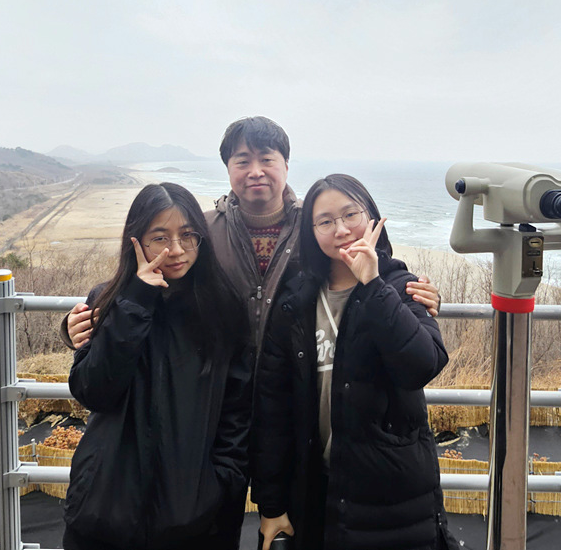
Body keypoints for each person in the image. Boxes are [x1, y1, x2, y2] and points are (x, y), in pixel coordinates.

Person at [61, 117, 441, 351]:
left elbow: (361, 269)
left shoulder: (315, 227)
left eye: (267, 159)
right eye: (243, 161)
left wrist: (410, 294)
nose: (255, 171)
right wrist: (82, 323)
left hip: (296, 385)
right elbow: (146, 280)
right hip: (220, 384)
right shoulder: (201, 231)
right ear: (228, 168)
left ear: (286, 165)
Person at [250, 174, 458, 550]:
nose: (341, 229)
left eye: (351, 215)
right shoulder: (295, 301)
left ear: (371, 217)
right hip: (316, 493)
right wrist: (272, 504)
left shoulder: (401, 287)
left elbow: (422, 366)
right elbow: (273, 408)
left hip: (392, 497)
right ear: (311, 232)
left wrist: (373, 284)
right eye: (325, 221)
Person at [64, 183, 251, 550]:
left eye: (188, 235)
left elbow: (237, 410)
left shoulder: (223, 307)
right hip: (104, 512)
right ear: (135, 241)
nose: (176, 250)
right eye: (160, 238)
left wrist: (218, 484)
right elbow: (93, 391)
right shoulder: (110, 302)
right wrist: (135, 301)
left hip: (194, 518)